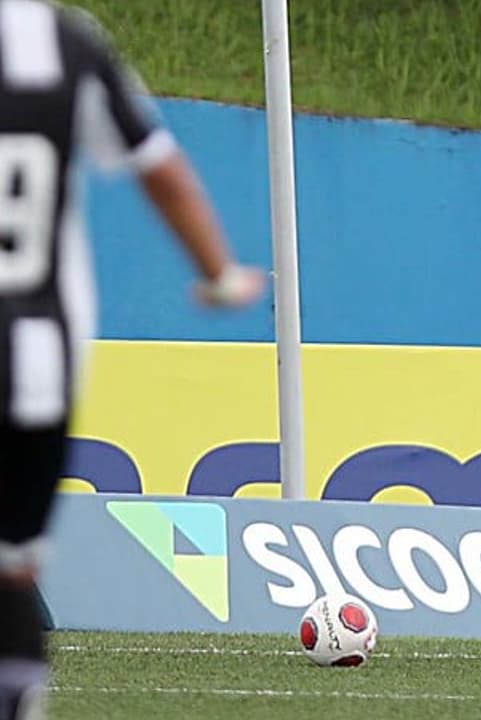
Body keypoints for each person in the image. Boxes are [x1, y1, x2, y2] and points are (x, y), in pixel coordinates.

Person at [0, 1, 266, 716]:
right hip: (34, 370)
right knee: (13, 574)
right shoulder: (64, 44)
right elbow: (162, 169)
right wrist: (220, 273)